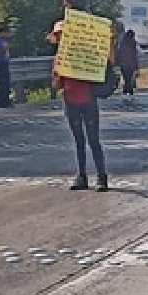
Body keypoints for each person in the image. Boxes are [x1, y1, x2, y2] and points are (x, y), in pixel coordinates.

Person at [50, 20, 109, 192]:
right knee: (79, 141)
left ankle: (101, 177)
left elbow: (98, 72)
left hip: (88, 101)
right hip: (71, 102)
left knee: (93, 140)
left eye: (62, 35)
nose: (61, 38)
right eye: (58, 36)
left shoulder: (85, 54)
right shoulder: (59, 59)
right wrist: (58, 74)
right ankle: (82, 176)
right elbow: (56, 84)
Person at [115, 29, 140, 96]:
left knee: (126, 78)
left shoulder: (122, 42)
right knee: (129, 78)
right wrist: (136, 65)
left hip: (124, 64)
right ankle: (128, 90)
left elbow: (119, 53)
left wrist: (117, 61)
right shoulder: (133, 42)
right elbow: (134, 54)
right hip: (130, 64)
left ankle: (127, 90)